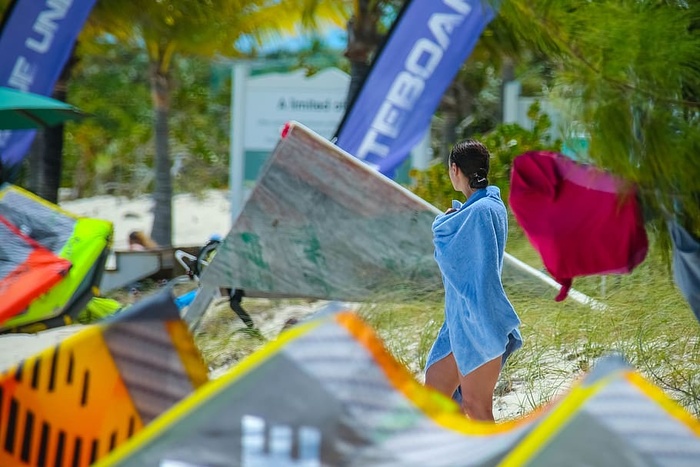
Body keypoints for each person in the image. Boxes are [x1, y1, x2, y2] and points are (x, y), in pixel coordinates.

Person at [424, 139, 522, 421]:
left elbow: (448, 255)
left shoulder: (480, 211)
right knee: (436, 394)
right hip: (459, 324)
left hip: (479, 322)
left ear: (455, 170)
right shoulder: (485, 208)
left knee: (477, 407)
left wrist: (442, 224)